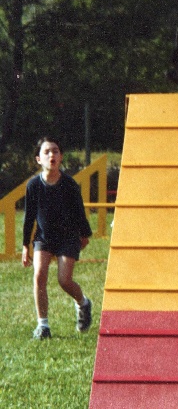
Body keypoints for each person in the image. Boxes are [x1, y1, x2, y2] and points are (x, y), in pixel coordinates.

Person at [22, 136, 93, 340]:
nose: (51, 155)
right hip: (43, 237)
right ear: (38, 159)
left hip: (68, 237)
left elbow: (79, 212)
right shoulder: (33, 185)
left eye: (55, 151)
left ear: (61, 157)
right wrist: (25, 245)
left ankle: (83, 303)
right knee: (39, 276)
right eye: (46, 152)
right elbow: (28, 217)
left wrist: (85, 234)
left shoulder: (69, 185)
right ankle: (43, 326)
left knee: (64, 280)